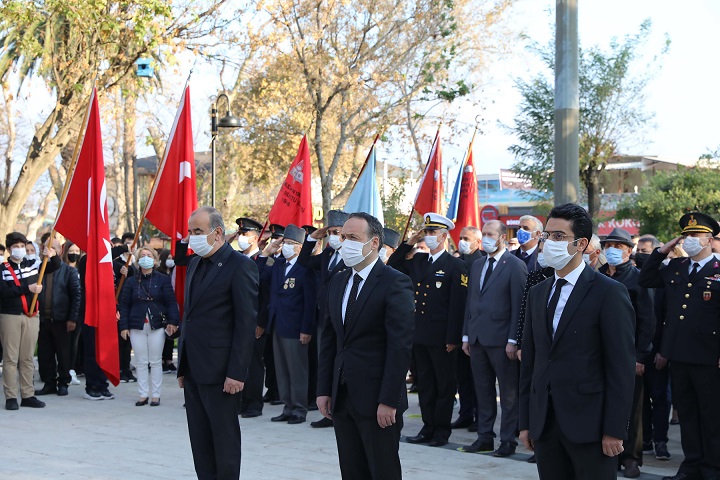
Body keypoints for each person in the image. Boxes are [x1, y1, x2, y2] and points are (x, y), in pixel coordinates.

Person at [519, 203, 636, 479]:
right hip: (545, 424)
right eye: (546, 235)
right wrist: (526, 422)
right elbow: (531, 362)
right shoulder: (538, 293)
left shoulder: (609, 293)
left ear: (581, 244)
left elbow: (620, 367)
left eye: (559, 236)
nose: (549, 242)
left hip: (590, 426)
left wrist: (614, 429)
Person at [317, 212, 415, 480]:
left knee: (382, 470)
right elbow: (329, 340)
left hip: (377, 400)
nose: (345, 242)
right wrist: (324, 389)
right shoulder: (338, 280)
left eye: (353, 237)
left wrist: (388, 400)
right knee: (351, 470)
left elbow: (400, 347)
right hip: (343, 396)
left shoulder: (395, 282)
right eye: (343, 236)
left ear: (374, 243)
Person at [177, 206, 258, 480]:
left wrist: (237, 372)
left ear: (218, 233)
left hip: (222, 372)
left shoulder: (240, 266)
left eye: (198, 231)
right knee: (200, 443)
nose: (192, 237)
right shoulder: (195, 263)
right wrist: (182, 366)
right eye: (190, 232)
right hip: (194, 370)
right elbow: (189, 316)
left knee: (224, 443)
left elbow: (245, 325)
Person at [639, 211, 720, 480]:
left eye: (695, 235)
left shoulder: (718, 270)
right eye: (686, 235)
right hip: (680, 355)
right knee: (686, 415)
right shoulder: (676, 267)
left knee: (711, 418)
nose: (690, 240)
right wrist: (661, 252)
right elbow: (646, 279)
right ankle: (691, 466)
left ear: (709, 240)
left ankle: (712, 469)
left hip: (710, 357)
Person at [388, 213, 468, 447]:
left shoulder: (456, 265)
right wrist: (410, 242)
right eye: (427, 232)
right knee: (425, 384)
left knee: (444, 386)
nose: (429, 236)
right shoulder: (419, 260)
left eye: (433, 233)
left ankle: (441, 431)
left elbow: (458, 305)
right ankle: (428, 426)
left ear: (444, 236)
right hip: (419, 334)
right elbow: (393, 264)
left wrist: (453, 336)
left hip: (442, 337)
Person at [461, 220, 527, 456]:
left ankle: (508, 440)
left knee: (508, 393)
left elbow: (520, 306)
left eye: (491, 234)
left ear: (501, 237)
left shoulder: (515, 265)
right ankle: (484, 436)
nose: (487, 238)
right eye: (484, 234)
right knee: (483, 390)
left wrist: (513, 340)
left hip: (502, 341)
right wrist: (466, 335)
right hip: (477, 338)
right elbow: (472, 301)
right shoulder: (478, 264)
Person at [599, 227, 656, 478]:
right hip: (600, 353)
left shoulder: (637, 278)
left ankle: (631, 456)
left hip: (630, 354)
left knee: (632, 408)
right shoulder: (596, 275)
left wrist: (641, 356)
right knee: (603, 405)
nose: (612, 250)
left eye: (618, 246)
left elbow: (648, 321)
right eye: (608, 246)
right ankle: (608, 453)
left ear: (629, 251)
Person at [258, 224, 318, 424]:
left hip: (295, 327)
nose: (286, 247)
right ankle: (287, 405)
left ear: (301, 247)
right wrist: (266, 253)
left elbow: (310, 302)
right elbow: (258, 277)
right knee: (282, 368)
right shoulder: (278, 265)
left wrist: (306, 329)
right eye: (285, 243)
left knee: (297, 369)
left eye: (291, 244)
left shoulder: (305, 268)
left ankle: (299, 408)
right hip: (277, 324)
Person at [298, 210, 349, 427]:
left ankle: (341, 410)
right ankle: (328, 410)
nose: (334, 236)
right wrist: (312, 238)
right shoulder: (328, 255)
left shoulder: (352, 255)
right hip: (323, 319)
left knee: (341, 366)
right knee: (325, 363)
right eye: (331, 232)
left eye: (338, 232)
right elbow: (303, 262)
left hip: (342, 319)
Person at [0, 232, 60, 410]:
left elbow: (53, 266)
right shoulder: (2, 269)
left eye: (22, 246)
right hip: (10, 315)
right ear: (10, 249)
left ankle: (28, 395)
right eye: (16, 247)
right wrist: (28, 288)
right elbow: (3, 292)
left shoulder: (33, 265)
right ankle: (11, 396)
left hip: (32, 315)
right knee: (10, 358)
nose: (20, 250)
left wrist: (53, 256)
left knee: (27, 358)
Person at [119, 247, 180, 406]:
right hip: (136, 325)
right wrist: (123, 326)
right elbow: (124, 305)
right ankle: (143, 394)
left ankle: (156, 395)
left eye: (149, 255)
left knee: (155, 361)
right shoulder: (131, 281)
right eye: (142, 256)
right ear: (138, 260)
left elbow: (171, 302)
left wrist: (173, 322)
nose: (146, 258)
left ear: (154, 260)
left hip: (157, 325)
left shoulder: (163, 279)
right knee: (141, 361)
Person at [635, 235, 672, 462]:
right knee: (643, 398)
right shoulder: (639, 277)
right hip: (640, 350)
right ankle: (646, 438)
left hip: (658, 348)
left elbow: (667, 318)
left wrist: (663, 350)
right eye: (638, 250)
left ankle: (661, 441)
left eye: (645, 251)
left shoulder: (666, 278)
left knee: (660, 397)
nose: (640, 254)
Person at [35, 234, 81, 398]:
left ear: (60, 250)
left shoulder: (68, 271)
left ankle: (63, 382)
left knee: (63, 354)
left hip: (62, 319)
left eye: (53, 248)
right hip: (43, 319)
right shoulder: (39, 269)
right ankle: (49, 383)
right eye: (47, 248)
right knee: (45, 354)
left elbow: (76, 296)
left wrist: (72, 318)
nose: (50, 251)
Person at [234, 217, 269, 419]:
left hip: (255, 322)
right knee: (239, 361)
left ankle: (254, 403)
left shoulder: (264, 261)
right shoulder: (237, 259)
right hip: (237, 322)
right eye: (239, 233)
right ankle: (241, 400)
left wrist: (261, 322)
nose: (241, 237)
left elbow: (266, 296)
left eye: (245, 234)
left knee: (254, 364)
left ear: (255, 237)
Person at [451, 225, 485, 431]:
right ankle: (465, 414)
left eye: (467, 238)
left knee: (478, 378)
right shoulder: (457, 263)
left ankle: (481, 417)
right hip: (458, 328)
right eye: (461, 237)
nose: (462, 241)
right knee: (462, 377)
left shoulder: (481, 263)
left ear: (477, 242)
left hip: (476, 329)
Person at [62, 241, 84, 384]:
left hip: (78, 311)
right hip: (62, 311)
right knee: (63, 343)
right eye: (71, 250)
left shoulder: (81, 269)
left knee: (74, 343)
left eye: (77, 251)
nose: (74, 253)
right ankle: (62, 370)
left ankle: (72, 369)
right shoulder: (61, 269)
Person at [156, 248, 178, 374]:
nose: (170, 261)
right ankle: (162, 361)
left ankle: (169, 360)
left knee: (170, 335)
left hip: (172, 307)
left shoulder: (175, 272)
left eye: (172, 258)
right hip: (161, 308)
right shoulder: (159, 273)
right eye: (168, 258)